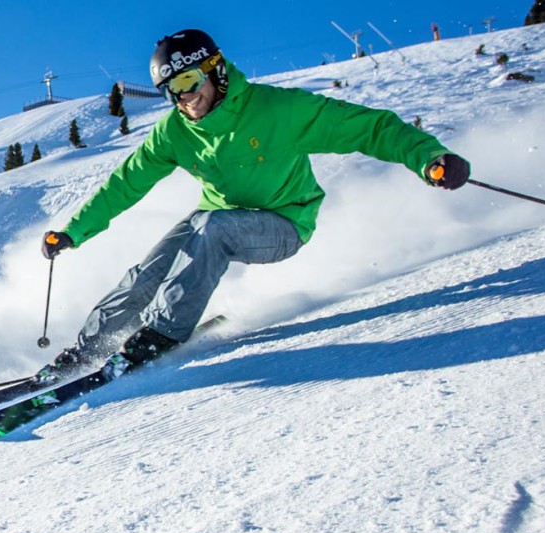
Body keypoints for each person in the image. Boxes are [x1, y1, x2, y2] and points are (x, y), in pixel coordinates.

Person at [37, 29, 470, 379]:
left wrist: (429, 158)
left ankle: (161, 333)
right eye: (171, 90)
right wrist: (75, 230)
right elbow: (125, 183)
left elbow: (368, 128)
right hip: (216, 219)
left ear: (216, 71)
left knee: (211, 230)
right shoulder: (175, 132)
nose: (183, 98)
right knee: (153, 266)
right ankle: (88, 348)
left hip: (284, 222)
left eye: (188, 82)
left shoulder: (277, 110)